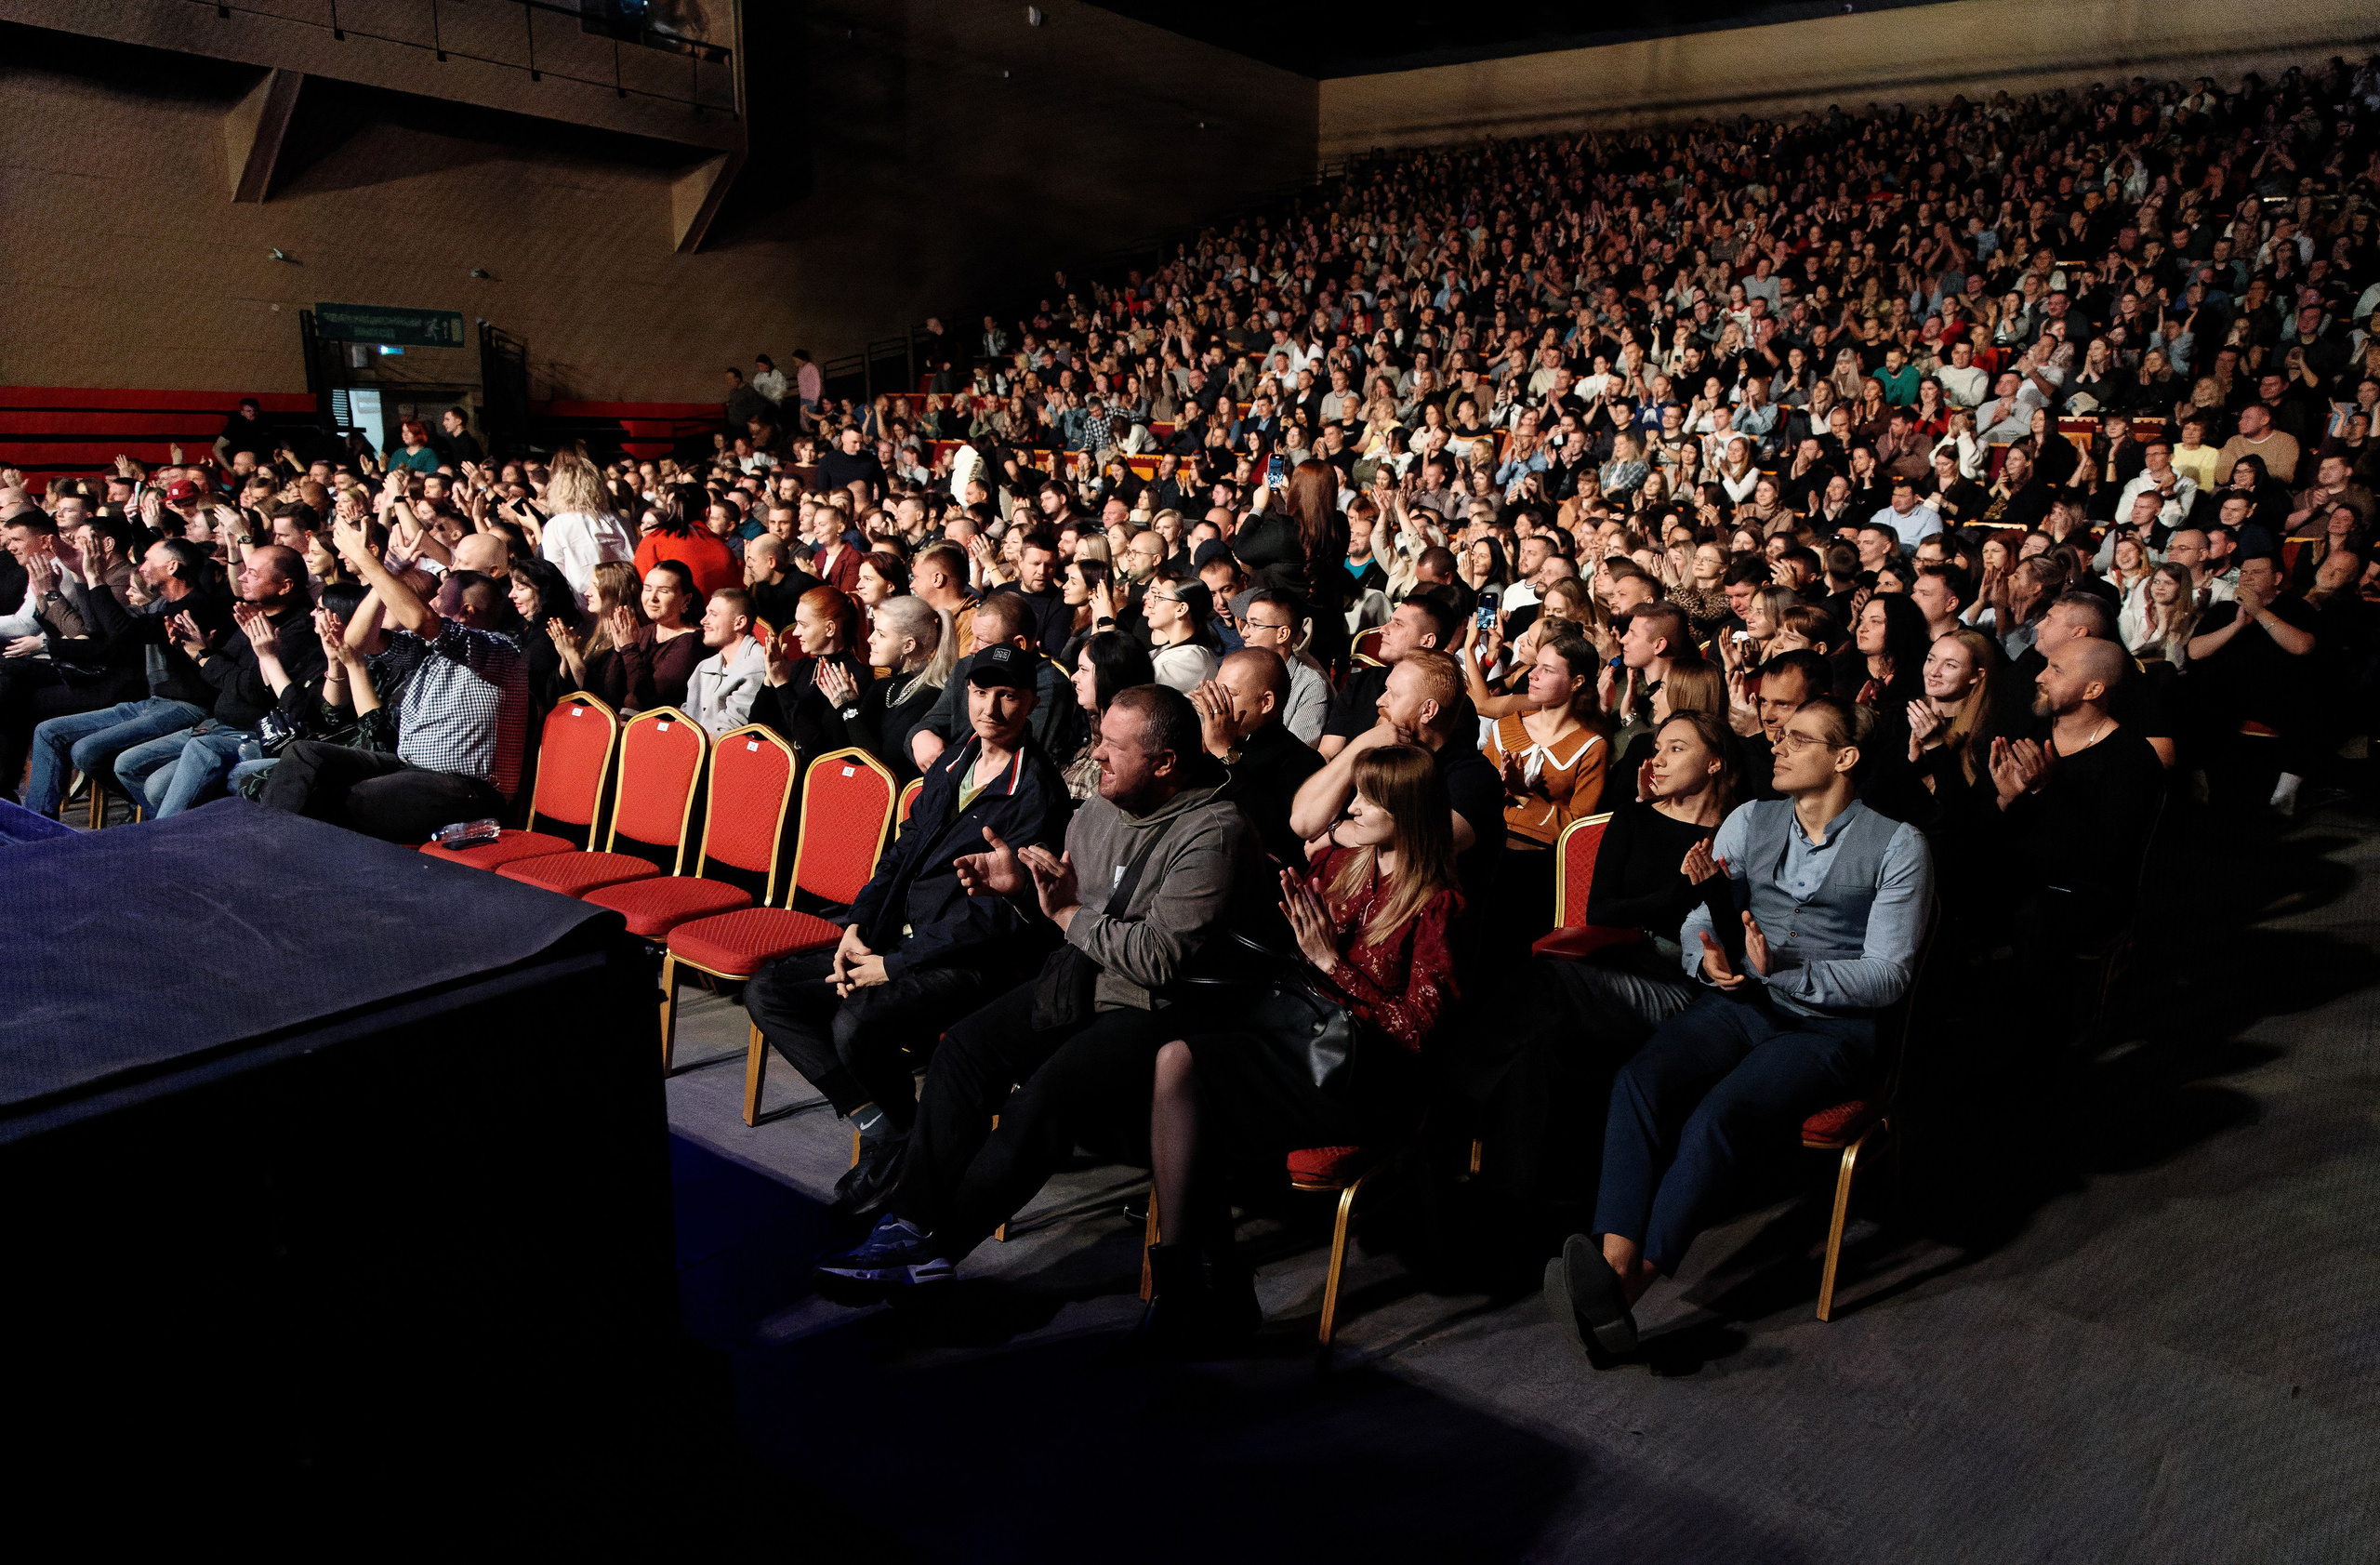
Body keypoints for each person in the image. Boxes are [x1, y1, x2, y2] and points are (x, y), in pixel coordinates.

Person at [813, 684, 1259, 1296]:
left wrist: (1068, 912)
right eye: (1099, 738)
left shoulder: (1214, 831)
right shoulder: (1106, 801)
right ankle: (909, 1225)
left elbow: (1158, 960)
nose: (1096, 755)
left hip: (1163, 1009)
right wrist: (1022, 887)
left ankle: (938, 1251)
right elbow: (1066, 907)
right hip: (1086, 978)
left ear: (1165, 762)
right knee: (964, 1049)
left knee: (1046, 1095)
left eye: (1114, 747)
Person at [1549, 696, 1933, 1359]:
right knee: (1640, 1079)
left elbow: (1888, 974)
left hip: (1828, 1029)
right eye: (1779, 737)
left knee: (1717, 1116)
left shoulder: (1898, 844)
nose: (1777, 746)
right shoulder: (1748, 821)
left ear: (1844, 758)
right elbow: (1701, 919)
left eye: (1800, 738)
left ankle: (1623, 1289)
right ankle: (1612, 1265)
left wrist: (1783, 972)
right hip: (1741, 1004)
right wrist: (1710, 959)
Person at [1137, 744, 1462, 1350]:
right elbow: (1282, 944)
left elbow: (1418, 1031)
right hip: (1298, 1044)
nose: (1353, 806)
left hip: (1367, 1079)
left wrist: (1332, 963)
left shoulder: (1438, 903)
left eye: (1370, 799)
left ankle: (1203, 1292)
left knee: (1195, 1100)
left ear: (1409, 811)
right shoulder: (1344, 865)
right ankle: (1186, 1283)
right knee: (1176, 1059)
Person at [741, 643, 1073, 1218]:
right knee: (768, 990)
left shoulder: (1038, 791)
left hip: (973, 962)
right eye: (978, 691)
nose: (989, 707)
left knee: (856, 1022)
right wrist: (859, 926)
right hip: (901, 939)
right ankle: (888, 1125)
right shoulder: (954, 760)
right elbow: (899, 856)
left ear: (1031, 704)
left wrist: (894, 964)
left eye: (1007, 695)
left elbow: (993, 916)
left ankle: (900, 1144)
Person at [1468, 711, 1740, 1205]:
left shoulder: (1738, 831)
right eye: (1658, 747)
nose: (1658, 758)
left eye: (1677, 749)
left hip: (1682, 987)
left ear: (1717, 763)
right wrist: (1682, 888)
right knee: (1536, 1039)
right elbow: (1602, 910)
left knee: (1546, 985)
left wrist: (1685, 894)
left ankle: (1456, 1094)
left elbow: (1725, 928)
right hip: (1613, 965)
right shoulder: (1633, 817)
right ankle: (1509, 1199)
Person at [259, 521, 529, 842]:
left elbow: (421, 620)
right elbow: (356, 643)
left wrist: (367, 562)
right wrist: (383, 574)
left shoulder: (498, 651)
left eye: (439, 598)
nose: (430, 603)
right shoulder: (427, 651)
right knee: (304, 754)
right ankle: (266, 845)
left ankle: (277, 858)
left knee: (342, 800)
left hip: (467, 791)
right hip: (410, 769)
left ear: (466, 612)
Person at [1987, 636, 2165, 1029]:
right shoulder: (2029, 733)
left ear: (2094, 689)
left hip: (2084, 892)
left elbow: (2103, 857)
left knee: (2036, 914)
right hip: (2017, 873)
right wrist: (2004, 800)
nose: (2040, 676)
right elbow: (1990, 828)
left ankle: (2039, 1039)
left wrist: (2044, 792)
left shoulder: (2129, 758)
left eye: (2056, 670)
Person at [1185, 646, 1323, 868]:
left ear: (1266, 702)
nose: (1217, 702)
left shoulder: (1304, 761)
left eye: (1229, 694)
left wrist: (1224, 752)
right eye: (1216, 691)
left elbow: (1268, 828)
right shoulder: (1211, 742)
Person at [808, 592, 952, 781]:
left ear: (908, 646)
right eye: (874, 630)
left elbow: (880, 766)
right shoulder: (882, 687)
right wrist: (841, 706)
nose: (870, 639)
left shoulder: (929, 696)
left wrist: (848, 708)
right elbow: (842, 751)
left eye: (881, 634)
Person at [749, 584, 867, 756]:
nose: (796, 633)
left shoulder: (852, 676)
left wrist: (782, 685)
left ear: (830, 629)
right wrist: (770, 679)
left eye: (803, 625)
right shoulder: (802, 667)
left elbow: (812, 745)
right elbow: (755, 727)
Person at [537, 451, 635, 609]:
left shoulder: (557, 524)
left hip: (582, 604)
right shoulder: (617, 519)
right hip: (621, 599)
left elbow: (553, 573)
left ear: (559, 489)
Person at [617, 559, 707, 711]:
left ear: (686, 599)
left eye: (664, 591)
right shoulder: (644, 632)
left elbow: (648, 702)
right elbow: (610, 692)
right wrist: (617, 650)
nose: (652, 598)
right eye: (647, 589)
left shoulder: (691, 643)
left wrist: (628, 649)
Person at [681, 587, 768, 738]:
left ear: (739, 622)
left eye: (713, 615)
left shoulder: (756, 666)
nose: (703, 621)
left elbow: (729, 735)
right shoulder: (705, 666)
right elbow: (686, 716)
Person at [1144, 573, 1222, 692]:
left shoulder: (1191, 658)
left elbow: (1139, 688)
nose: (1152, 605)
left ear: (1181, 609)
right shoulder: (1169, 650)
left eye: (1160, 598)